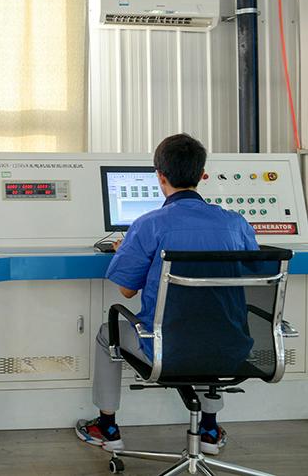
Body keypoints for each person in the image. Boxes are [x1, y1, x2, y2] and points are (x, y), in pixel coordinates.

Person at [75, 133, 258, 456]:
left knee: (107, 333)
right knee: (213, 323)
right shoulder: (236, 224)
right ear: (202, 175)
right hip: (231, 347)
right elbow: (251, 274)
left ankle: (107, 427)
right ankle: (209, 429)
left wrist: (124, 251)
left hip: (165, 348)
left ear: (160, 177)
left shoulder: (148, 225)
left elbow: (127, 291)